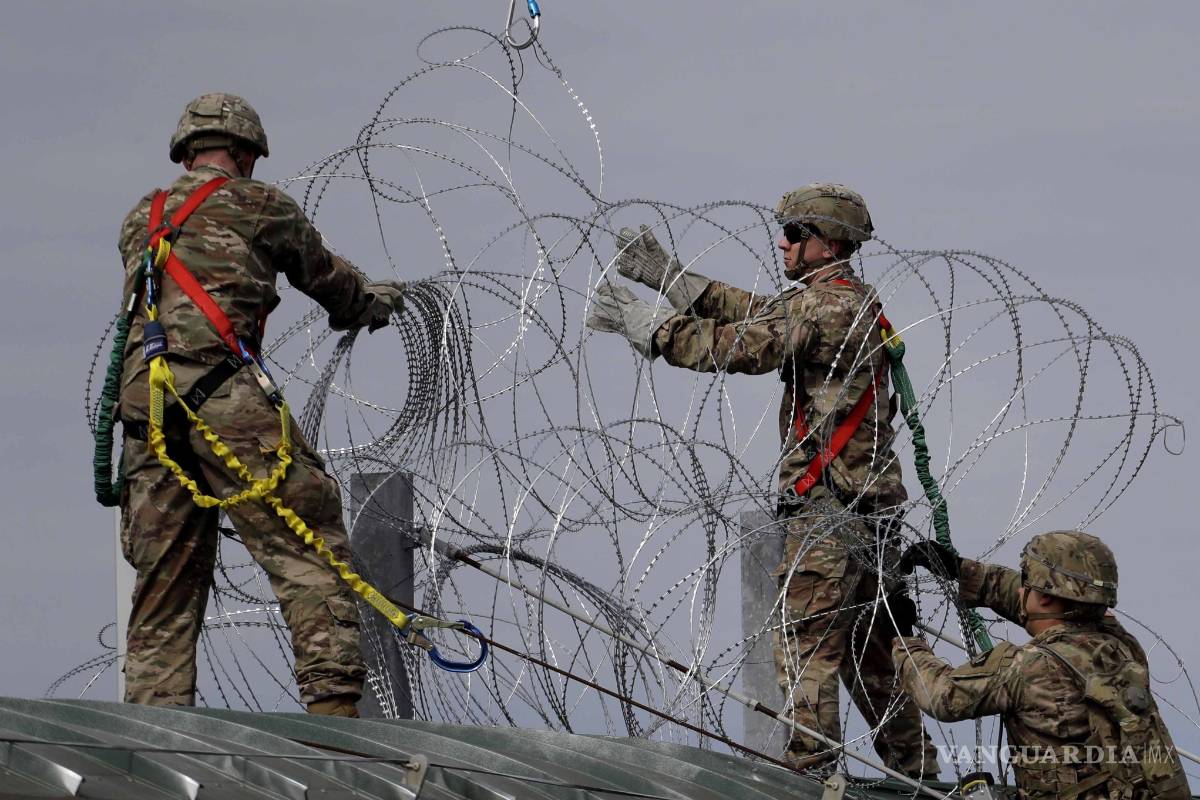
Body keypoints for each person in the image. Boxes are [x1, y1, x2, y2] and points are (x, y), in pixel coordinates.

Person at [586, 184, 936, 775]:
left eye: (795, 233)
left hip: (828, 513)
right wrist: (672, 279)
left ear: (829, 244)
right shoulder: (845, 301)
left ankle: (811, 770)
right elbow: (759, 311)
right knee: (869, 652)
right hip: (868, 515)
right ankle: (918, 772)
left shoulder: (824, 308)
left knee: (804, 643)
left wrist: (654, 330)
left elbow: (743, 346)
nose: (783, 242)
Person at [115, 93, 406, 716]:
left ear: (186, 153)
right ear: (246, 153)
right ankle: (335, 713)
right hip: (221, 394)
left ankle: (154, 731)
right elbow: (324, 276)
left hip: (147, 412)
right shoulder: (260, 203)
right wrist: (370, 302)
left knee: (164, 585)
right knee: (308, 545)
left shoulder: (144, 215)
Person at [893, 531, 1189, 798]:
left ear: (1045, 597)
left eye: (1026, 581)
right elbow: (1051, 605)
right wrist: (964, 572)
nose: (1020, 589)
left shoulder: (1030, 667)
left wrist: (904, 639)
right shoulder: (1122, 645)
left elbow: (942, 695)